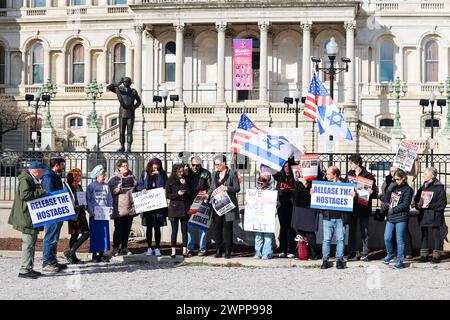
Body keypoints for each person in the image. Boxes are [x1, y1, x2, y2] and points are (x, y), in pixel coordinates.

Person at [8, 162, 46, 279]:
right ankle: (24, 270)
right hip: (26, 217)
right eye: (42, 170)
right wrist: (42, 192)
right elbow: (25, 195)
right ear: (36, 171)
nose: (44, 172)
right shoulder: (26, 179)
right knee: (28, 244)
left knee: (31, 244)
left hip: (31, 216)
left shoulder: (31, 179)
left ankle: (29, 268)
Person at [319, 166, 353, 269]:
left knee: (340, 240)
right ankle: (325, 261)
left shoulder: (345, 186)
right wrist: (314, 194)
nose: (326, 175)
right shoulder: (324, 185)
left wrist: (354, 196)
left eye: (329, 174)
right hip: (327, 217)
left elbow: (351, 199)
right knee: (326, 240)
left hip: (340, 218)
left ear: (335, 175)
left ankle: (339, 260)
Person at [207, 155, 240, 259]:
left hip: (229, 205)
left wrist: (226, 188)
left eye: (218, 164)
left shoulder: (232, 173)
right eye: (215, 164)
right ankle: (218, 250)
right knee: (217, 227)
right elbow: (212, 187)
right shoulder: (214, 174)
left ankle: (228, 250)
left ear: (224, 163)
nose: (216, 166)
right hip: (217, 204)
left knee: (227, 228)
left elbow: (237, 188)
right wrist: (208, 194)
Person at [345, 154, 377, 262]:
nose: (349, 165)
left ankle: (365, 253)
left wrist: (372, 192)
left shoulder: (368, 176)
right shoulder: (349, 174)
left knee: (364, 232)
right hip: (352, 207)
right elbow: (345, 188)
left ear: (357, 163)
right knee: (352, 231)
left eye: (351, 163)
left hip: (364, 207)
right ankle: (351, 252)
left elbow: (375, 192)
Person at [414, 167, 447, 263]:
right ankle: (424, 256)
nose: (423, 175)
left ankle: (436, 257)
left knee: (436, 235)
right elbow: (417, 199)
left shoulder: (439, 187)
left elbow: (442, 204)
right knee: (424, 235)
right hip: (424, 214)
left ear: (432, 176)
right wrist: (417, 205)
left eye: (425, 174)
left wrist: (429, 205)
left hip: (435, 215)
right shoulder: (423, 186)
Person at [379, 166, 413, 259]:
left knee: (399, 239)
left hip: (401, 216)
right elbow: (386, 199)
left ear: (403, 179)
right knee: (387, 238)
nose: (396, 181)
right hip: (391, 216)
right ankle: (390, 253)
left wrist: (393, 209)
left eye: (398, 179)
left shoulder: (408, 189)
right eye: (395, 179)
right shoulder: (394, 187)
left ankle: (400, 260)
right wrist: (389, 190)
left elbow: (405, 204)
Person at [41, 157, 68, 273]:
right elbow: (49, 195)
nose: (63, 167)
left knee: (54, 238)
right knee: (50, 238)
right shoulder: (48, 177)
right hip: (52, 213)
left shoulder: (54, 176)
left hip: (58, 212)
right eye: (62, 165)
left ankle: (52, 260)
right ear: (56, 165)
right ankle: (47, 262)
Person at [291, 168, 324, 260]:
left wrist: (307, 185)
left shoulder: (317, 176)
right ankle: (301, 253)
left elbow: (320, 188)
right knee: (299, 231)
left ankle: (313, 253)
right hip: (298, 205)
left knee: (309, 231)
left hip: (310, 206)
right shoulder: (299, 172)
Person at [137, 158, 168, 257]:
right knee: (149, 227)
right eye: (154, 166)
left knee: (157, 227)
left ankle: (158, 247)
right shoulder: (145, 173)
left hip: (158, 205)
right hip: (147, 204)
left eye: (157, 166)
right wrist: (143, 189)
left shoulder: (162, 173)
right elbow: (140, 185)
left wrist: (158, 175)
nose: (155, 168)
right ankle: (149, 247)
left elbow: (164, 185)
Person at [108, 159, 137, 256]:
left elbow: (136, 190)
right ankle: (116, 247)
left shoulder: (132, 177)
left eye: (127, 165)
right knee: (118, 228)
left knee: (127, 229)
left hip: (130, 207)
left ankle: (124, 247)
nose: (126, 167)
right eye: (124, 166)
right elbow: (110, 192)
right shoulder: (114, 178)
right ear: (119, 168)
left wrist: (136, 185)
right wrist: (119, 188)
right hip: (119, 208)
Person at [106, 77, 142, 152]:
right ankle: (122, 146)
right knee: (121, 132)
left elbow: (139, 101)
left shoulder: (133, 91)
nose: (125, 83)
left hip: (131, 113)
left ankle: (129, 147)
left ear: (130, 83)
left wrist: (134, 107)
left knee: (129, 132)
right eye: (124, 82)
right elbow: (108, 87)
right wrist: (118, 83)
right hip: (122, 113)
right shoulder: (120, 90)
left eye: (126, 81)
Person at [87, 165, 113, 263]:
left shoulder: (106, 186)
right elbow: (88, 200)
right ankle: (94, 254)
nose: (104, 177)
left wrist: (110, 210)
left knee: (104, 234)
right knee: (95, 234)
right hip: (94, 214)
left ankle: (101, 254)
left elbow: (109, 199)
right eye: (102, 175)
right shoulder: (91, 186)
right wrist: (91, 211)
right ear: (97, 175)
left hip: (104, 214)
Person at [166, 163, 192, 258]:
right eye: (179, 171)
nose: (181, 173)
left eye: (182, 171)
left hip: (184, 208)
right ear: (175, 171)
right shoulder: (170, 181)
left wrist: (185, 184)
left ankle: (184, 250)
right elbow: (168, 195)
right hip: (174, 208)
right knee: (174, 230)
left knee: (184, 230)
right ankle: (173, 251)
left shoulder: (186, 180)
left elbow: (190, 193)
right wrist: (177, 193)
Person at [187, 155, 212, 257]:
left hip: (201, 203)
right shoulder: (187, 172)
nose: (195, 167)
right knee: (190, 227)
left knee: (202, 227)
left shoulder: (206, 173)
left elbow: (211, 187)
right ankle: (190, 248)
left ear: (200, 164)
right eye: (193, 165)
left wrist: (207, 193)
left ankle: (202, 248)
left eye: (197, 165)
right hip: (190, 202)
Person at [64, 168, 89, 264]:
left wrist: (85, 205)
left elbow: (82, 198)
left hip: (81, 213)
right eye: (79, 174)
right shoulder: (69, 187)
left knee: (83, 234)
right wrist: (79, 206)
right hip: (74, 214)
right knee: (78, 234)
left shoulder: (79, 186)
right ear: (75, 176)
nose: (81, 176)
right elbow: (69, 202)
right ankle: (72, 254)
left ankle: (71, 253)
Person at [273, 160, 296, 258]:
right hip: (281, 205)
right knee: (283, 227)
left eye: (288, 166)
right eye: (285, 166)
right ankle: (282, 249)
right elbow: (271, 170)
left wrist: (291, 158)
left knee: (291, 228)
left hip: (292, 205)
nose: (287, 168)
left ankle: (291, 250)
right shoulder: (279, 176)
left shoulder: (294, 177)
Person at [253, 172, 276, 259]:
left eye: (263, 181)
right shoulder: (255, 190)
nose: (260, 183)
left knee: (267, 235)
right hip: (258, 215)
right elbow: (251, 201)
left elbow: (277, 203)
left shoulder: (272, 191)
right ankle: (258, 252)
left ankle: (267, 253)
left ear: (268, 181)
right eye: (259, 181)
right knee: (258, 235)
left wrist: (275, 203)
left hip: (268, 216)